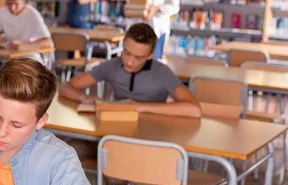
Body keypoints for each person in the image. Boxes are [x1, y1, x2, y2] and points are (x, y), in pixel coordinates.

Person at [59, 23, 201, 118]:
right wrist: (84, 98)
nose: (129, 62)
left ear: (151, 55)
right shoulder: (112, 66)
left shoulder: (162, 72)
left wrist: (139, 106)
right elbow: (66, 87)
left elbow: (194, 110)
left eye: (139, 57)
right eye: (126, 53)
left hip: (153, 132)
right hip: (117, 130)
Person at [0, 0, 52, 66]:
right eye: (9, 4)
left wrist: (23, 44)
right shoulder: (2, 12)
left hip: (29, 60)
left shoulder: (32, 15)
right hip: (9, 60)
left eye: (16, 4)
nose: (12, 8)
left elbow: (47, 42)